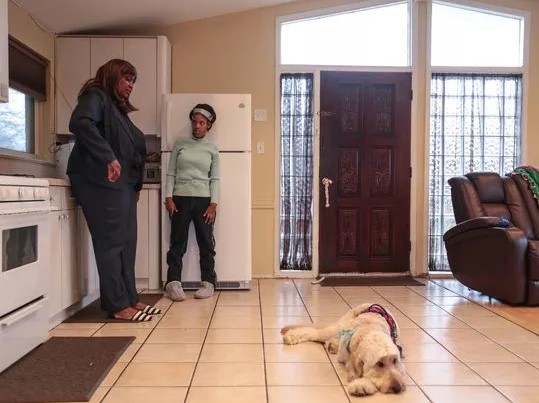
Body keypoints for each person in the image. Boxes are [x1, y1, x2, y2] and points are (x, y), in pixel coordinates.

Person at [67, 59, 161, 321]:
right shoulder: (95, 95)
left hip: (122, 186)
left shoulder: (117, 109)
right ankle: (118, 305)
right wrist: (108, 157)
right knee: (111, 243)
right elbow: (80, 123)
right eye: (127, 78)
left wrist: (137, 185)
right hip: (99, 180)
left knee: (127, 243)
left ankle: (130, 298)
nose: (131, 85)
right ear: (112, 75)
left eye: (133, 81)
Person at [164, 103, 220, 301]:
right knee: (177, 242)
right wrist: (168, 197)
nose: (197, 126)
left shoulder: (212, 149)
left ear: (208, 125)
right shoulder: (180, 144)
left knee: (206, 243)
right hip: (180, 198)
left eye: (201, 123)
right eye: (194, 122)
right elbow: (171, 172)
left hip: (204, 200)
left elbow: (215, 179)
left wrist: (213, 204)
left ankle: (208, 283)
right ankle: (173, 283)